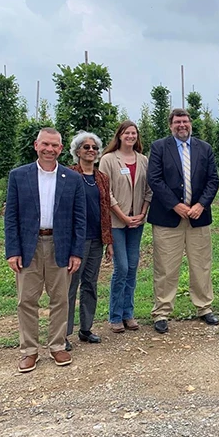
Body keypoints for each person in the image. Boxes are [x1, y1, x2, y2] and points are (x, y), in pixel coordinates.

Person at [4, 127, 85, 373]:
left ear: (61, 149)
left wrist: (76, 252)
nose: (50, 149)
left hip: (60, 245)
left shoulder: (73, 179)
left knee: (60, 298)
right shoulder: (19, 176)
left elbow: (79, 219)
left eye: (55, 145)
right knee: (26, 300)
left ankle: (57, 345)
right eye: (45, 144)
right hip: (29, 245)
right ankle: (29, 351)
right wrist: (13, 251)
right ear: (36, 145)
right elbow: (11, 217)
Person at [146, 108, 219, 333]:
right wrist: (175, 205)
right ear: (170, 125)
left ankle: (204, 307)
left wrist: (201, 205)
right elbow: (154, 179)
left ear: (190, 124)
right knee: (166, 267)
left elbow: (213, 180)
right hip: (168, 218)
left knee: (201, 265)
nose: (182, 125)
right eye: (177, 122)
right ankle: (162, 312)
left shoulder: (204, 148)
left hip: (198, 217)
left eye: (185, 121)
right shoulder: (159, 147)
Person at [99, 120, 153, 334]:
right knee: (121, 267)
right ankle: (115, 315)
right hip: (117, 222)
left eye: (134, 133)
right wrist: (123, 216)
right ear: (119, 135)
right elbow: (106, 192)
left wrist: (142, 213)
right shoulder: (108, 160)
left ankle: (128, 314)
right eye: (126, 133)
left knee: (132, 266)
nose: (130, 136)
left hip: (136, 222)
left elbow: (148, 190)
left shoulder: (143, 160)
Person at [66, 131, 114, 350]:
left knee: (90, 284)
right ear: (77, 151)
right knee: (70, 286)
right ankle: (63, 333)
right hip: (76, 240)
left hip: (96, 239)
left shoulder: (102, 178)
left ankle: (86, 328)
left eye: (94, 148)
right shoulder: (68, 175)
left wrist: (109, 241)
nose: (91, 151)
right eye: (86, 147)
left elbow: (105, 209)